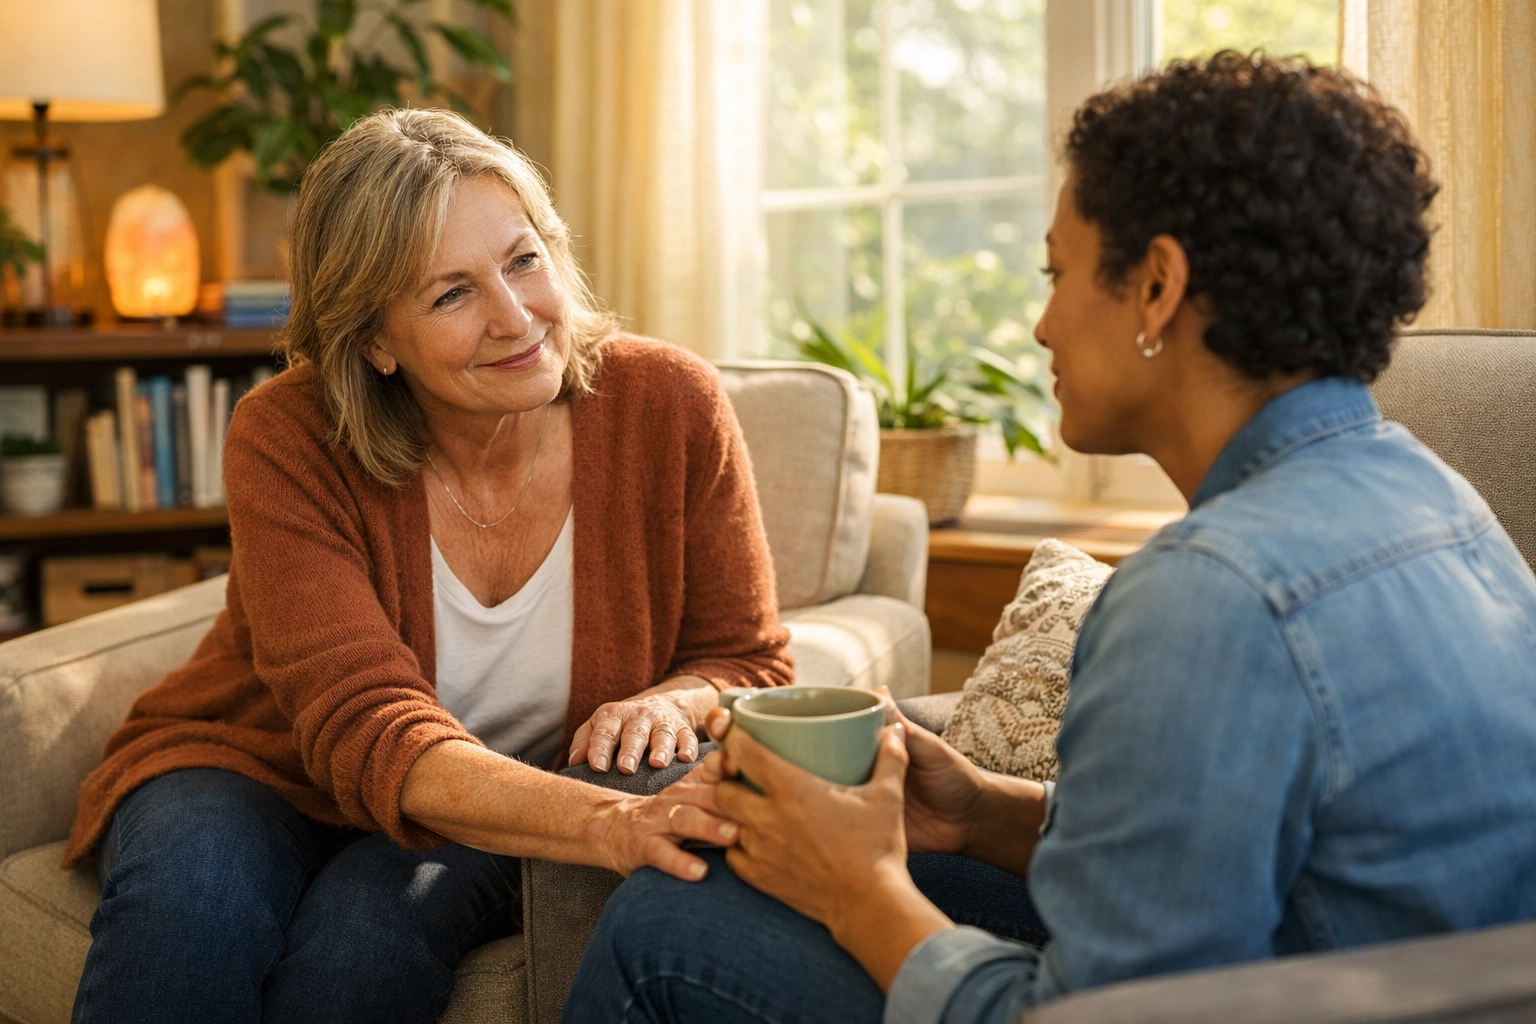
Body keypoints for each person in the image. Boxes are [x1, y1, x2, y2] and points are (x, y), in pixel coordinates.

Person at [561, 52, 1536, 1023]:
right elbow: (1230, 862)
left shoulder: (1209, 593)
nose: (1040, 325)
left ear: (1157, 287)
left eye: (1057, 272)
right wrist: (983, 810)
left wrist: (857, 887)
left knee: (664, 929)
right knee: (723, 887)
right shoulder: (1434, 496)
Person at [65, 107, 788, 1024]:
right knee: (185, 913)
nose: (515, 318)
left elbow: (749, 659)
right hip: (256, 767)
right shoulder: (288, 434)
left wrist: (673, 700)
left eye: (523, 260)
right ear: (374, 339)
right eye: (451, 295)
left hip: (496, 789)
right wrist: (614, 824)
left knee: (358, 953)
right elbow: (365, 723)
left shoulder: (670, 405)